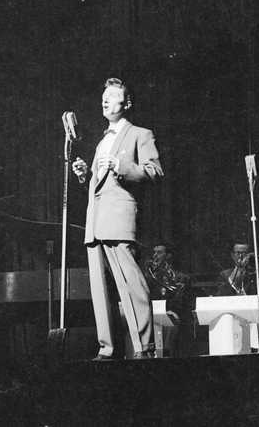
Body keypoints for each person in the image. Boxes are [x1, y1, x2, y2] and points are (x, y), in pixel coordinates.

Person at [72, 78, 163, 360]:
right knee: (101, 292)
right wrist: (84, 174)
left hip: (120, 221)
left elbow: (154, 172)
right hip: (96, 222)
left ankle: (144, 348)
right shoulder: (102, 140)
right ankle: (108, 349)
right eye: (104, 96)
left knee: (131, 285)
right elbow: (100, 184)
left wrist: (121, 165)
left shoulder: (140, 134)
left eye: (112, 96)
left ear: (127, 103)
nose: (105, 100)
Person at [144, 241, 193, 357]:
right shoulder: (149, 277)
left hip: (172, 314)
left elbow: (182, 301)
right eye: (154, 253)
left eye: (159, 253)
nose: (155, 256)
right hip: (151, 314)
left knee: (171, 322)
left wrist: (171, 311)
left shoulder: (181, 277)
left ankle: (166, 356)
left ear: (168, 256)